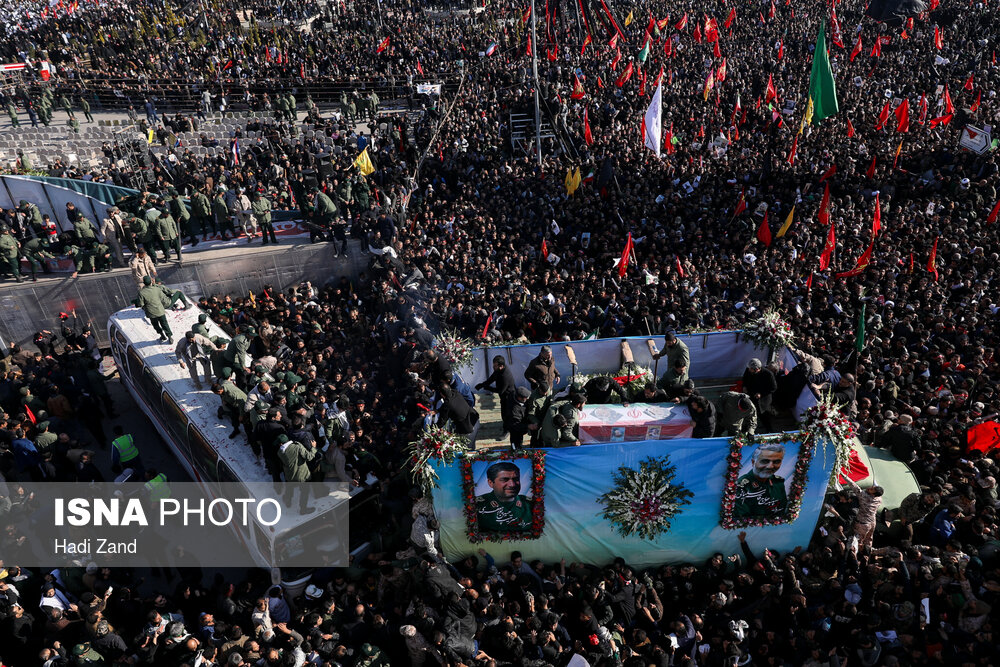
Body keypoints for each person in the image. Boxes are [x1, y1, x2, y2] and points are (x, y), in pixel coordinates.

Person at [733, 443, 788, 520]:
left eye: (776, 462)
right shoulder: (741, 487)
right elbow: (742, 521)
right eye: (765, 461)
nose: (770, 466)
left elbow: (782, 511)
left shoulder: (778, 482)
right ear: (753, 462)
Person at [475, 461, 533, 532]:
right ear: (490, 483)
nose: (512, 484)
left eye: (516, 479)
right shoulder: (477, 505)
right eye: (504, 480)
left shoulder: (530, 504)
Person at [277, 434, 317, 513]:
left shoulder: (280, 452)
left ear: (281, 444)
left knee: (289, 488)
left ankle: (288, 501)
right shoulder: (297, 446)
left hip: (289, 475)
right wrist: (313, 448)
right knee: (304, 491)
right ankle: (303, 509)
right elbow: (308, 457)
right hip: (301, 475)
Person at [475, 356, 515, 436]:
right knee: (504, 414)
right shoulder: (498, 371)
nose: (493, 367)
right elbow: (491, 379)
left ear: (501, 366)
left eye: (495, 366)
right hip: (503, 395)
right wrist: (482, 385)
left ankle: (506, 431)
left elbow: (500, 390)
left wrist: (489, 388)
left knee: (506, 414)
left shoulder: (505, 376)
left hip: (508, 397)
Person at [135, 275, 173, 343]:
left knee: (156, 325)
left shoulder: (141, 292)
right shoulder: (157, 289)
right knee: (164, 324)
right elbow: (163, 298)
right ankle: (170, 337)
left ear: (144, 283)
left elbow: (141, 304)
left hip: (151, 313)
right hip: (160, 310)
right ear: (151, 282)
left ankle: (162, 335)